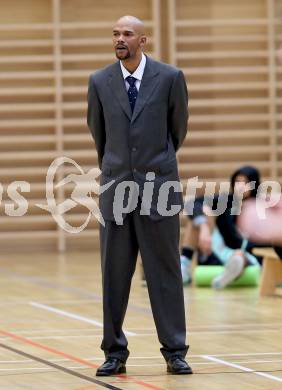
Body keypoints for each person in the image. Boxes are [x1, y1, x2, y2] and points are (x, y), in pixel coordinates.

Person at [87, 15, 192, 376]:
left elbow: (177, 131)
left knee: (165, 273)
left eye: (127, 34)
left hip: (158, 190)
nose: (120, 38)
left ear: (142, 40)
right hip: (115, 192)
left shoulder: (170, 78)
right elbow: (98, 135)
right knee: (113, 274)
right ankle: (114, 353)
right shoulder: (99, 81)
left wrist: (154, 165)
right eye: (115, 33)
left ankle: (175, 351)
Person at [180, 166, 282, 287]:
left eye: (246, 183)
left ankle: (229, 273)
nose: (240, 186)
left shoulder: (263, 207)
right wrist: (204, 226)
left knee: (239, 257)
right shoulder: (226, 201)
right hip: (220, 252)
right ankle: (184, 266)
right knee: (199, 215)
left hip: (248, 258)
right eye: (238, 182)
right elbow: (192, 203)